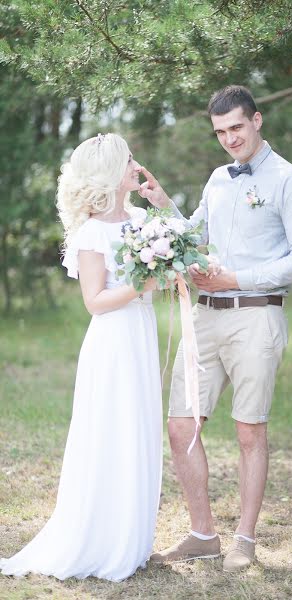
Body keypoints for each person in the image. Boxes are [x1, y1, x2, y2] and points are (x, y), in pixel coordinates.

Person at [138, 85, 292, 572]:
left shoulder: (289, 179)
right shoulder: (217, 179)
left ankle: (244, 539)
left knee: (248, 431)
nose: (229, 139)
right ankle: (203, 534)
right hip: (205, 315)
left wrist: (235, 278)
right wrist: (161, 202)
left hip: (257, 315)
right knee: (181, 426)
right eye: (220, 132)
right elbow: (192, 236)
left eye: (236, 127)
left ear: (257, 121)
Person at [0, 133, 163, 581]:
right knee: (112, 428)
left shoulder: (140, 216)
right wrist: (143, 286)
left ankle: (132, 538)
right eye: (128, 159)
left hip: (140, 333)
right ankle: (101, 538)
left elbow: (182, 241)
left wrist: (161, 204)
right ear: (112, 171)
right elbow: (94, 300)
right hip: (113, 340)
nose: (136, 164)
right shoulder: (93, 231)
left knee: (138, 427)